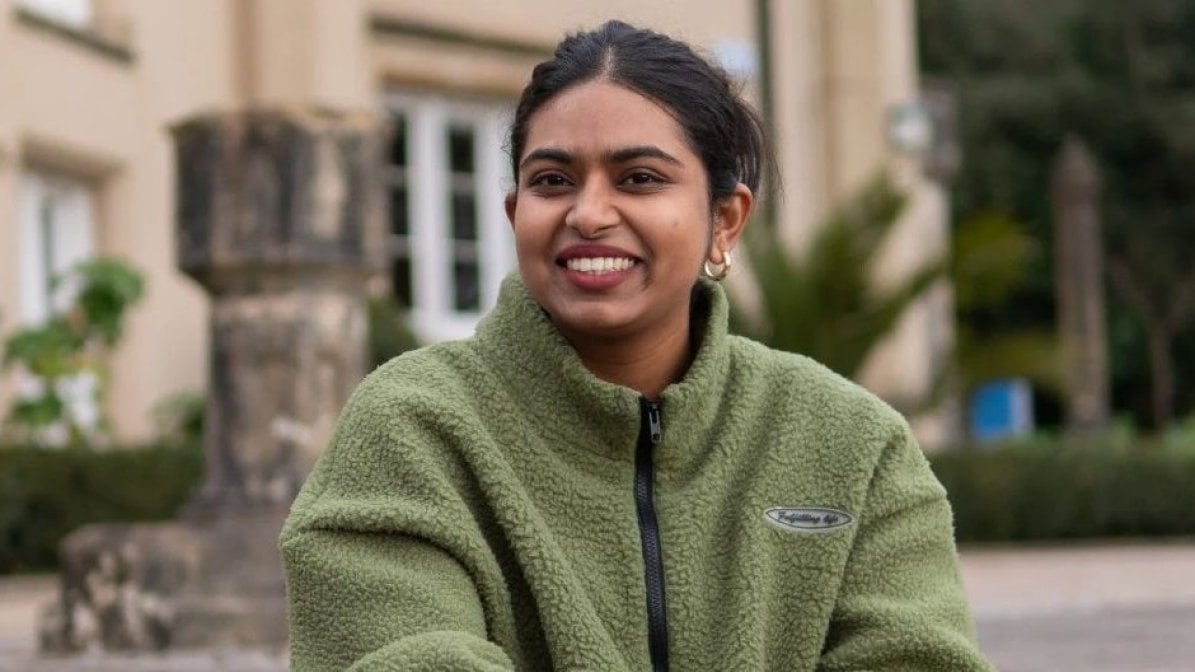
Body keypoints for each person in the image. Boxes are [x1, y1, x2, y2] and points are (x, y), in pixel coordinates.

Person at [280, 20, 994, 672]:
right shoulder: (411, 427)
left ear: (725, 219)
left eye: (640, 179)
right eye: (552, 181)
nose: (588, 213)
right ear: (515, 213)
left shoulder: (851, 444)